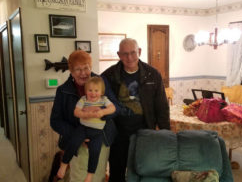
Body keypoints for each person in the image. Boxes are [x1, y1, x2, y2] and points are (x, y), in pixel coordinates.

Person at [102, 38, 171, 182]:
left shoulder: (153, 74)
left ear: (139, 52)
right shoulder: (108, 76)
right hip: (117, 133)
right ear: (119, 55)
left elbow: (162, 106)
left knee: (143, 171)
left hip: (145, 131)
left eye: (133, 53)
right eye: (125, 54)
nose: (129, 58)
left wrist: (165, 133)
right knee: (117, 172)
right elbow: (100, 103)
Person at [50, 50, 119, 182]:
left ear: (91, 67)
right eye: (78, 69)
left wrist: (101, 114)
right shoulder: (63, 90)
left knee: (98, 176)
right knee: (78, 177)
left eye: (86, 68)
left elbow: (115, 107)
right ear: (71, 71)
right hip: (77, 141)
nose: (83, 73)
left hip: (101, 137)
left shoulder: (101, 82)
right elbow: (55, 121)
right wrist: (77, 134)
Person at [56, 76, 116, 181]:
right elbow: (76, 111)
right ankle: (64, 164)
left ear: (101, 92)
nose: (93, 93)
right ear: (86, 91)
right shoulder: (83, 99)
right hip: (83, 128)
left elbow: (113, 108)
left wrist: (102, 112)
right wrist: (85, 114)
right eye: (90, 90)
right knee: (73, 143)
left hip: (97, 132)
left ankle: (90, 175)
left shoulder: (104, 100)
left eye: (96, 90)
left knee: (95, 152)